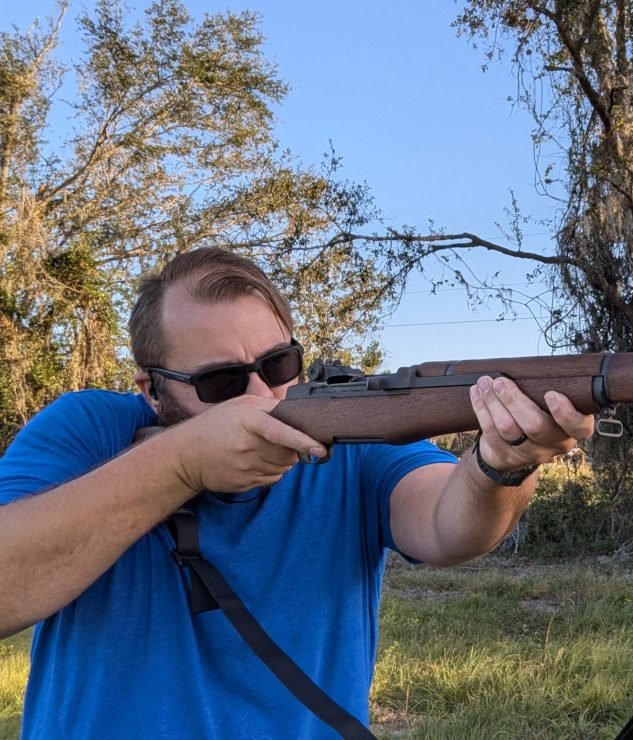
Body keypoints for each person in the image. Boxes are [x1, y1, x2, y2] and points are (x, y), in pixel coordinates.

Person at [0, 247, 594, 737]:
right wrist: (178, 466)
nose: (263, 395)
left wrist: (502, 464)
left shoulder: (347, 437)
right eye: (223, 381)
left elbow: (449, 525)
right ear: (152, 391)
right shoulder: (89, 430)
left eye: (279, 365)